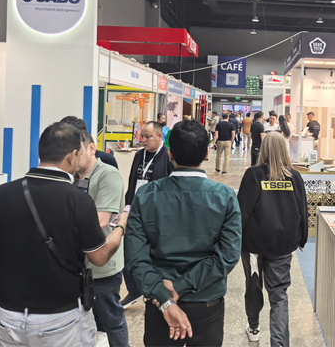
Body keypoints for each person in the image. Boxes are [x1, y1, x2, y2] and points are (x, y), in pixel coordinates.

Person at [0, 122, 128, 346]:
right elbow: (99, 256)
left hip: (9, 316)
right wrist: (120, 227)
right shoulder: (78, 200)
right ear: (72, 157)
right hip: (59, 318)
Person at [125, 120, 241, 347]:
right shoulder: (225, 196)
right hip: (206, 300)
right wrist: (182, 285)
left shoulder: (146, 195)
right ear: (206, 153)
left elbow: (135, 257)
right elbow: (228, 256)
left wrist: (165, 295)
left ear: (169, 154)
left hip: (159, 301)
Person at [237, 133, 308, 346]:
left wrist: (235, 240)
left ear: (264, 149)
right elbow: (303, 210)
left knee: (253, 287)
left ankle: (254, 328)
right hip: (282, 245)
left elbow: (242, 211)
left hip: (254, 245)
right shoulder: (294, 177)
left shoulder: (253, 175)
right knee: (279, 295)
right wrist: (302, 238)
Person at [76, 129, 129, 346]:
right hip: (75, 265)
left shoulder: (107, 174)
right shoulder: (69, 177)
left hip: (102, 266)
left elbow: (100, 221)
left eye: (77, 151)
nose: (71, 157)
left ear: (91, 148)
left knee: (109, 321)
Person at [122, 120, 173, 308]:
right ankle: (134, 289)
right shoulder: (139, 155)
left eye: (147, 136)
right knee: (128, 252)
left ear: (160, 136)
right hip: (136, 211)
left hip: (157, 215)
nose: (143, 140)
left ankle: (156, 292)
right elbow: (132, 181)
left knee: (154, 255)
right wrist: (127, 206)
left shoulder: (168, 157)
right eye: (141, 136)